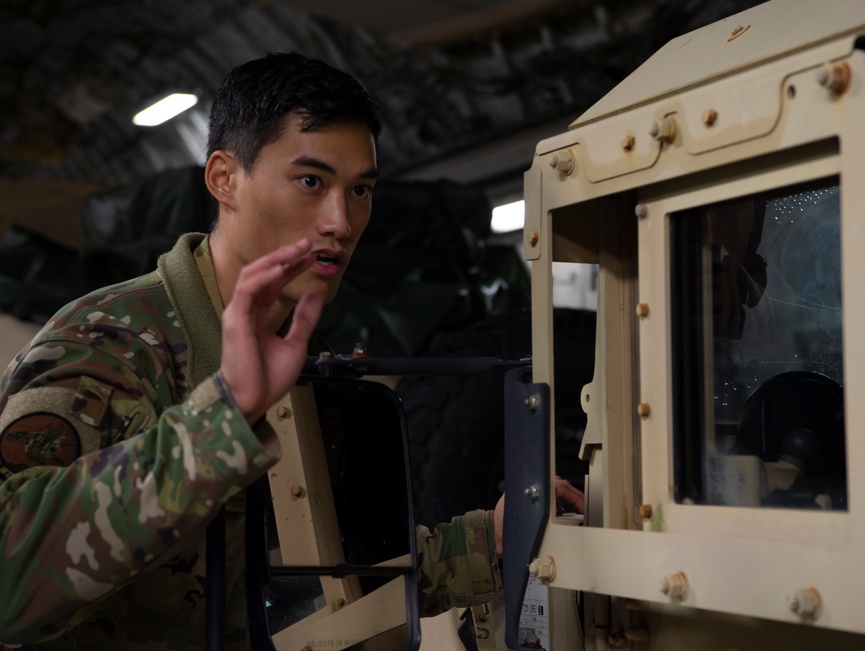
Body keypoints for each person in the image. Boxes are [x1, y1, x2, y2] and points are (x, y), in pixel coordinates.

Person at [0, 52, 583, 649]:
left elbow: (329, 577)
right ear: (224, 178)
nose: (340, 221)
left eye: (360, 190)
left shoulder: (306, 354)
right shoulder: (111, 343)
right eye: (311, 182)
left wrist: (492, 541)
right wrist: (223, 422)